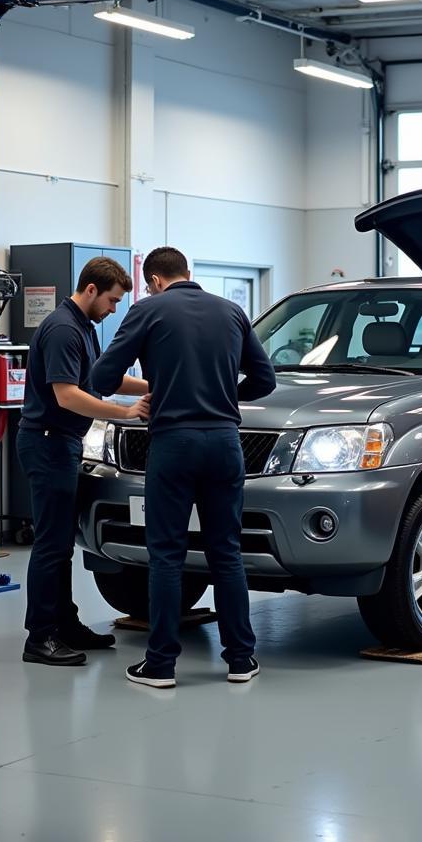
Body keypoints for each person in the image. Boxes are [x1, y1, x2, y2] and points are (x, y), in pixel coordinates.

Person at [91, 247, 276, 689]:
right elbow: (265, 379)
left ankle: (160, 666)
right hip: (226, 444)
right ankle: (240, 660)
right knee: (226, 553)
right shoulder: (232, 311)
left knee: (168, 555)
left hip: (174, 444)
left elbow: (101, 378)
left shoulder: (147, 310)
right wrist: (224, 396)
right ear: (188, 274)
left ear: (153, 279)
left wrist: (163, 389)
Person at [18, 258, 151, 667]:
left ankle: (65, 624)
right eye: (112, 300)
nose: (114, 309)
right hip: (48, 443)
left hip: (64, 443)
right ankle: (40, 637)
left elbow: (98, 379)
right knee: (51, 545)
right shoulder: (62, 329)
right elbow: (68, 395)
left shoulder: (83, 328)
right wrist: (125, 413)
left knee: (62, 544)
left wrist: (159, 384)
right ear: (91, 290)